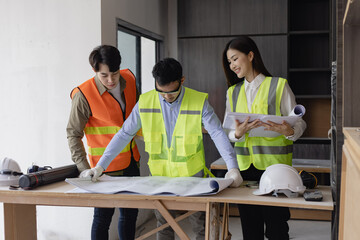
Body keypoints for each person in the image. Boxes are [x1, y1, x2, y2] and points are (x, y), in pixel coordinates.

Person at [81, 57, 243, 240]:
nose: (166, 96)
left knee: (201, 227)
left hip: (193, 180)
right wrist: (100, 166)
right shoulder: (146, 101)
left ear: (182, 81)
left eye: (171, 93)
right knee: (164, 227)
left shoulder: (198, 101)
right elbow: (124, 134)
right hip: (160, 181)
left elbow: (217, 133)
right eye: (161, 92)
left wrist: (232, 167)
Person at [222, 36, 307, 240]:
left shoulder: (278, 85)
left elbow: (300, 123)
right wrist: (238, 134)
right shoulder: (232, 92)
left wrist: (287, 130)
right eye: (229, 62)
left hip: (276, 169)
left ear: (250, 55)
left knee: (277, 229)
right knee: (250, 230)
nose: (232, 65)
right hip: (246, 169)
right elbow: (230, 133)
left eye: (235, 58)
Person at [66, 45, 140, 240]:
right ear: (95, 71)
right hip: (103, 168)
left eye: (114, 74)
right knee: (102, 218)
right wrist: (84, 169)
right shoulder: (83, 94)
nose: (110, 80)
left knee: (130, 214)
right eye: (104, 75)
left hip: (132, 161)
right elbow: (73, 134)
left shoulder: (130, 80)